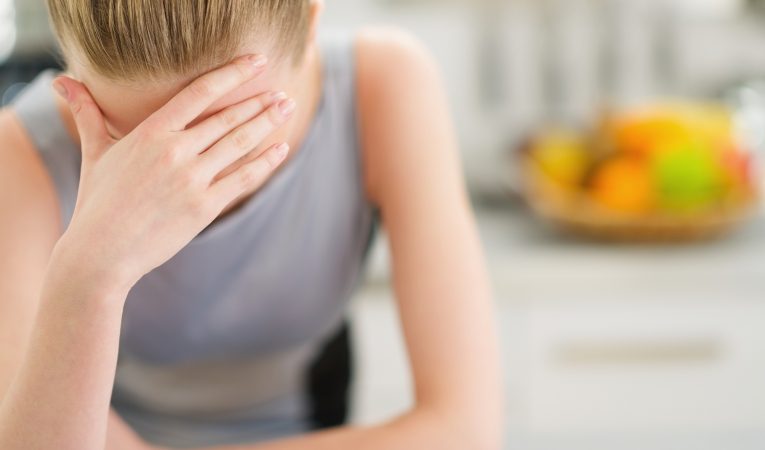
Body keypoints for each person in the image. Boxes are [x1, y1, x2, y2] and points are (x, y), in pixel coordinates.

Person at [0, 0, 503, 448]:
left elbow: (464, 432)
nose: (190, 185)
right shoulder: (22, 152)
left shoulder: (384, 84)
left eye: (238, 132)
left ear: (310, 25)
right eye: (138, 147)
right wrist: (89, 274)